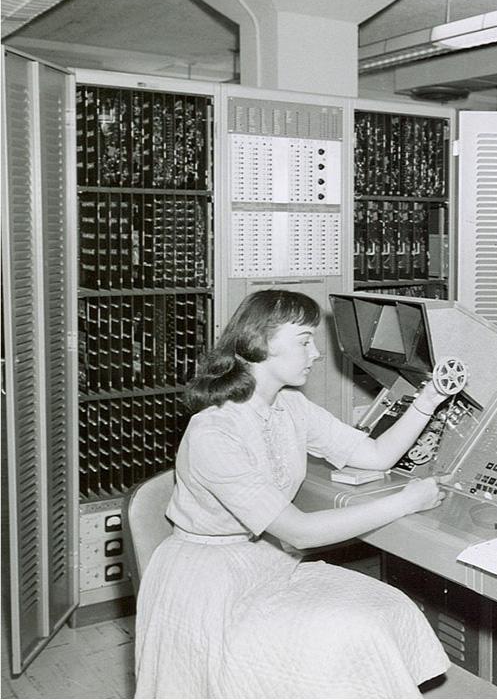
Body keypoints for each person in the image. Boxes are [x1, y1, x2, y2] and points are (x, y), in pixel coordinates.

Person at [135, 289, 453, 698]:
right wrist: (406, 501)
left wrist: (429, 399)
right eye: (304, 340)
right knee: (346, 638)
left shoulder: (290, 406)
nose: (317, 353)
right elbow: (299, 532)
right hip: (209, 585)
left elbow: (373, 455)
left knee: (386, 609)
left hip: (267, 562)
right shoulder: (214, 431)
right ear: (261, 343)